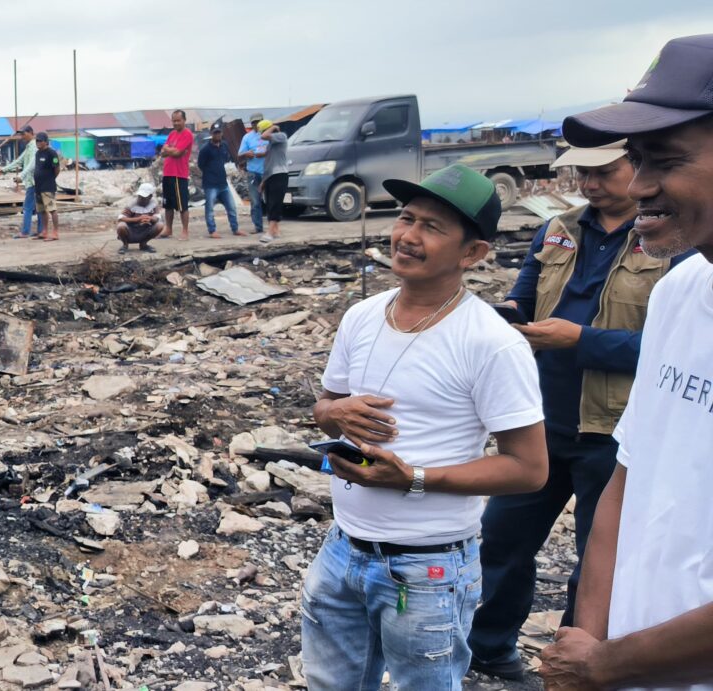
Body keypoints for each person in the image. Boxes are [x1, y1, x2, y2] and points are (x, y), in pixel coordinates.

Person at [304, 164, 548, 690]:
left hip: (428, 568)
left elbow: (529, 470)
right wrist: (330, 414)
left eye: (433, 227)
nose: (408, 237)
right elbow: (327, 403)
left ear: (472, 254)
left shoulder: (492, 343)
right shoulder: (362, 316)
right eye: (406, 218)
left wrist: (412, 477)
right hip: (342, 547)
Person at [468, 140, 691, 681]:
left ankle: (570, 667)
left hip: (612, 429)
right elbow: (523, 297)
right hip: (542, 419)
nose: (590, 184)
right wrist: (503, 318)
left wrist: (581, 340)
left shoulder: (670, 240)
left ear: (633, 168)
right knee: (502, 541)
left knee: (593, 562)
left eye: (604, 172)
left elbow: (668, 349)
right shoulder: (558, 228)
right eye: (581, 174)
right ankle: (488, 650)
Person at [539, 33, 713, 690]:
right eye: (632, 160)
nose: (637, 186)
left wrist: (606, 663)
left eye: (662, 160)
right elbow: (627, 479)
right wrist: (588, 640)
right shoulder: (678, 293)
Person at [196, 123, 241, 238]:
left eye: (219, 132)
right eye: (215, 132)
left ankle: (235, 229)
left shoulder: (224, 146)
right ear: (211, 134)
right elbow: (201, 165)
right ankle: (212, 230)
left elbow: (226, 160)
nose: (218, 135)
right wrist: (211, 173)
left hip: (223, 183)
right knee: (210, 208)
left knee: (231, 207)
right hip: (210, 184)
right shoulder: (205, 149)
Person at [0, 125, 39, 238]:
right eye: (21, 134)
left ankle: (25, 232)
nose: (22, 136)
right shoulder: (29, 147)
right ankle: (40, 231)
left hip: (34, 181)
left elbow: (32, 165)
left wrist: (21, 175)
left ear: (30, 132)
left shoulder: (34, 146)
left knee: (28, 207)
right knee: (38, 207)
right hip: (33, 181)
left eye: (23, 134)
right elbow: (19, 161)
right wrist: (4, 169)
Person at [159, 110, 195, 240]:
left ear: (184, 120)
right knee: (168, 204)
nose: (175, 123)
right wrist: (170, 150)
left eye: (178, 120)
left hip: (179, 174)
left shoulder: (187, 134)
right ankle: (168, 229)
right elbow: (163, 152)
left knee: (182, 206)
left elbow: (177, 153)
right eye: (174, 120)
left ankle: (185, 231)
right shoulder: (172, 134)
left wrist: (169, 150)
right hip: (167, 173)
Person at [258, 119, 289, 243]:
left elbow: (264, 135)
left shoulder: (281, 136)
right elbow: (268, 163)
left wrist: (273, 127)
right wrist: (263, 182)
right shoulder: (271, 144)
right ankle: (275, 230)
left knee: (275, 203)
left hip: (280, 174)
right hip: (271, 175)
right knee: (270, 203)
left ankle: (270, 232)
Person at [238, 113, 268, 234]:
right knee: (255, 201)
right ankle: (258, 227)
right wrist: (246, 154)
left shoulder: (269, 135)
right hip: (253, 173)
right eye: (254, 123)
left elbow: (277, 149)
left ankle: (273, 226)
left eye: (258, 122)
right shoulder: (247, 137)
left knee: (271, 201)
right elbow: (239, 154)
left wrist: (266, 152)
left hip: (268, 172)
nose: (256, 124)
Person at [116, 182, 163, 253]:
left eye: (144, 198)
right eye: (140, 196)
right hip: (131, 231)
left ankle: (143, 244)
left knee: (160, 225)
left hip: (145, 231)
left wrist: (150, 219)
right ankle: (125, 245)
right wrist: (138, 219)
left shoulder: (153, 203)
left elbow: (157, 217)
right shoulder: (132, 204)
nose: (141, 199)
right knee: (121, 226)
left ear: (150, 197)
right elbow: (121, 218)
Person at [32, 132, 61, 241]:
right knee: (42, 210)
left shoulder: (52, 153)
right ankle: (44, 231)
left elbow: (56, 169)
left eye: (40, 140)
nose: (38, 143)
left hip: (48, 186)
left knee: (52, 209)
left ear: (45, 141)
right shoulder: (37, 153)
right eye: (37, 141)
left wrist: (50, 179)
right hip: (38, 187)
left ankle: (55, 232)